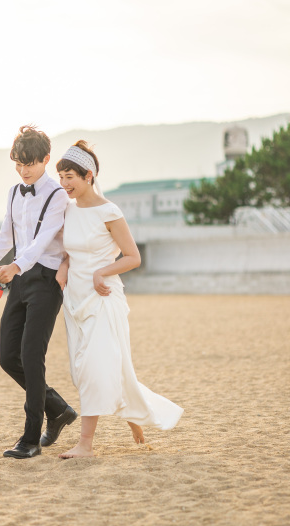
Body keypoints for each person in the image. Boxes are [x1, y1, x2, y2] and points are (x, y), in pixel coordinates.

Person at [54, 140, 183, 459]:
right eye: (61, 176)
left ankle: (85, 444)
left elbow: (133, 257)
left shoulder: (110, 212)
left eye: (70, 176)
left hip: (104, 297)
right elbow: (71, 252)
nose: (64, 183)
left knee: (96, 367)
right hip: (75, 299)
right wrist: (64, 266)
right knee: (85, 369)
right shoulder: (67, 210)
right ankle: (134, 414)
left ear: (89, 176)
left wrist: (102, 273)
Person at [0, 125, 78, 459]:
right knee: (8, 357)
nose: (24, 171)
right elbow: (4, 239)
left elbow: (41, 243)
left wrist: (15, 267)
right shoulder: (14, 192)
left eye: (30, 164)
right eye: (18, 165)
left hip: (47, 281)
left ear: (45, 160)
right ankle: (58, 409)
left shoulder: (57, 195)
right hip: (20, 280)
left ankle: (29, 439)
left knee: (31, 356)